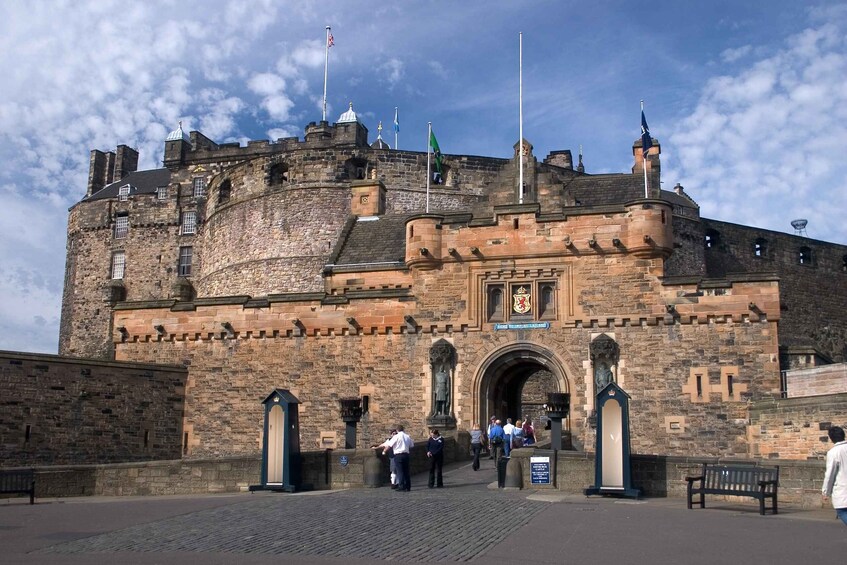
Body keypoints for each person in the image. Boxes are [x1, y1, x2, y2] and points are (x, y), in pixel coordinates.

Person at [822, 425, 847, 525]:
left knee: (841, 511)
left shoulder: (833, 452)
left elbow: (830, 474)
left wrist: (825, 491)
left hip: (842, 487)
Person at [385, 424, 414, 491]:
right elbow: (412, 445)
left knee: (400, 471)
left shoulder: (396, 437)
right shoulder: (407, 436)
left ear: (397, 430)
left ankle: (401, 486)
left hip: (398, 455)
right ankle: (408, 486)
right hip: (406, 455)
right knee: (406, 471)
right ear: (403, 429)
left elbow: (389, 445)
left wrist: (384, 451)